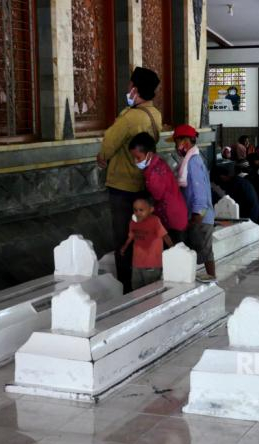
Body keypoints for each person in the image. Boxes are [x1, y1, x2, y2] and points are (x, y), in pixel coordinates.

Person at [97, 66, 162, 292]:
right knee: (141, 234)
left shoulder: (130, 118)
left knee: (124, 237)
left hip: (122, 186)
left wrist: (102, 157)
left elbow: (108, 145)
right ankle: (142, 279)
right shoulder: (155, 115)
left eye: (129, 85)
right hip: (142, 183)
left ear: (134, 89)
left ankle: (126, 285)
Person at [171, 124, 216, 280]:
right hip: (197, 216)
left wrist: (196, 219)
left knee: (205, 252)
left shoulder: (193, 162)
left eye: (176, 142)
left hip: (200, 216)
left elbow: (200, 193)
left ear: (185, 141)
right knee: (201, 252)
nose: (176, 146)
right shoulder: (191, 160)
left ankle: (212, 282)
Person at [128, 132, 188, 245]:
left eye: (137, 157)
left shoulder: (154, 174)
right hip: (177, 215)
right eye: (133, 157)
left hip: (172, 220)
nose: (135, 161)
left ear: (149, 154)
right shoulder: (157, 163)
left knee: (174, 257)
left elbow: (157, 197)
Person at [120, 196, 174, 290]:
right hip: (137, 263)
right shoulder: (133, 222)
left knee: (152, 290)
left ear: (151, 209)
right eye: (135, 210)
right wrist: (124, 247)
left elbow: (165, 236)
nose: (138, 213)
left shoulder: (155, 221)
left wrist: (173, 249)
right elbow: (131, 236)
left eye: (141, 210)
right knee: (136, 290)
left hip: (152, 264)